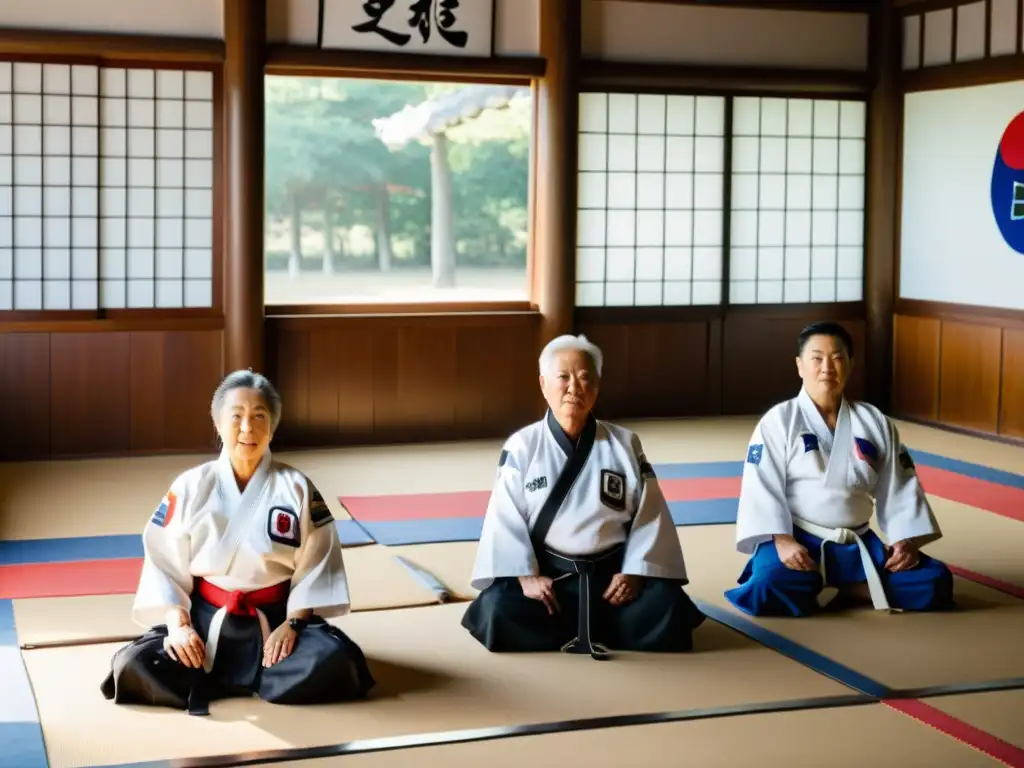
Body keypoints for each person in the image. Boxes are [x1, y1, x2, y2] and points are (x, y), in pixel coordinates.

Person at [100, 370, 375, 714]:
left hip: (275, 620)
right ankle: (252, 675)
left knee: (337, 662)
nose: (247, 428)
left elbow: (316, 566)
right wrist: (178, 626)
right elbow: (163, 562)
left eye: (259, 417)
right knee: (135, 665)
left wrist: (292, 625)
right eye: (236, 417)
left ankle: (262, 669)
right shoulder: (190, 486)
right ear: (218, 423)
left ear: (272, 426)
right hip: (203, 621)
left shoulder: (297, 487)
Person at [461, 334, 705, 659]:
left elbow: (651, 514)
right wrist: (526, 576)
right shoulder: (522, 446)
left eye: (585, 377)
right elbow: (502, 517)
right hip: (550, 580)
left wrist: (634, 572)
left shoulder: (625, 443)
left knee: (668, 606)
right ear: (543, 383)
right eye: (563, 377)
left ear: (597, 386)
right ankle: (603, 628)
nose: (574, 387)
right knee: (497, 609)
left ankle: (586, 623)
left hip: (611, 580)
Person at [725, 321, 955, 618]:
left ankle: (842, 589)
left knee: (936, 581)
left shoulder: (874, 421)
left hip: (855, 543)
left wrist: (906, 541)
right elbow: (760, 486)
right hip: (799, 539)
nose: (827, 367)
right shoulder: (779, 420)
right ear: (800, 366)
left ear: (850, 364)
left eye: (837, 358)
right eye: (817, 358)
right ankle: (858, 587)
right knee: (766, 588)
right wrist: (782, 541)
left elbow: (899, 485)